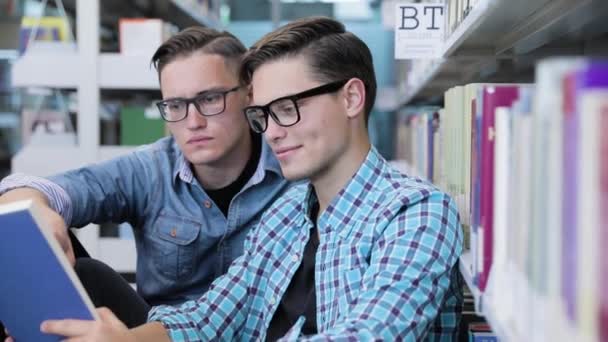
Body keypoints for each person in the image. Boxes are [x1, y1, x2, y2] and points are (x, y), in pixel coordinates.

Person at [39, 16, 463, 341]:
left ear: (351, 97)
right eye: (263, 115)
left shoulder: (415, 212)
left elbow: (370, 335)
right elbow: (212, 317)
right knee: (86, 284)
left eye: (287, 108)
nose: (273, 131)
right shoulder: (289, 212)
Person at [0, 26, 289, 330]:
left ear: (248, 93)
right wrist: (38, 212)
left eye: (210, 99)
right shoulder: (151, 168)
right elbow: (46, 189)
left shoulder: (291, 165)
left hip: (264, 332)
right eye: (176, 105)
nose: (193, 122)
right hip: (159, 334)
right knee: (76, 267)